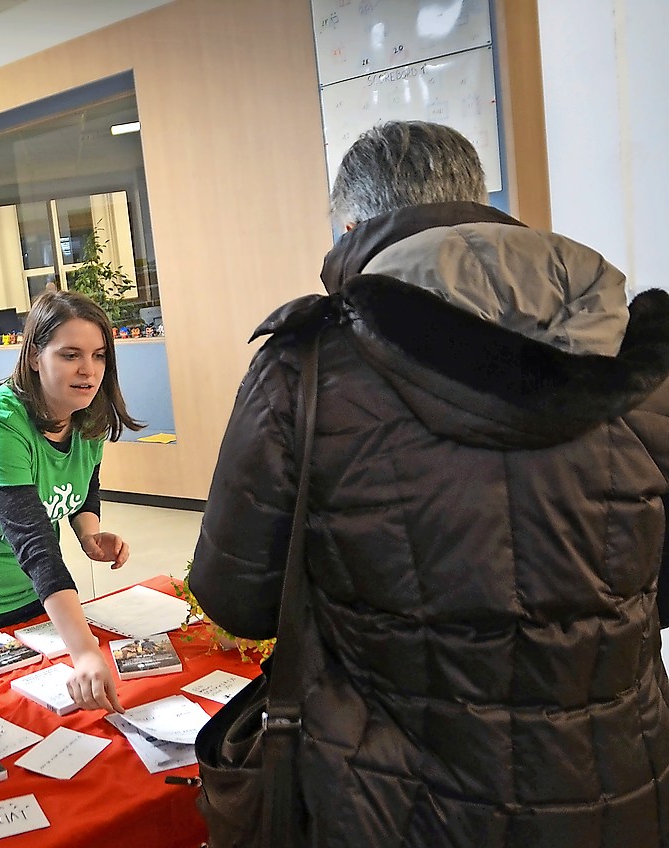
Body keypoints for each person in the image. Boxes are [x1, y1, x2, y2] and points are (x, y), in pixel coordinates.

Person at [190, 120, 669, 846]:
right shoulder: (638, 358)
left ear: (352, 225)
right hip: (616, 787)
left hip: (388, 801)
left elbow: (239, 600)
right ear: (477, 202)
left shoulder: (307, 368)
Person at [0, 290, 143, 713]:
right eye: (70, 354)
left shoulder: (85, 413)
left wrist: (89, 531)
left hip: (35, 602)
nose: (89, 371)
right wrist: (86, 652)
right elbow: (35, 545)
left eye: (99, 356)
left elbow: (84, 478)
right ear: (35, 356)